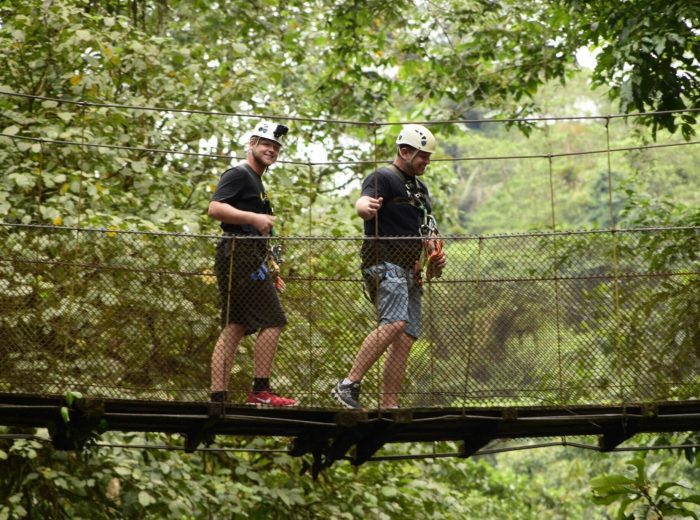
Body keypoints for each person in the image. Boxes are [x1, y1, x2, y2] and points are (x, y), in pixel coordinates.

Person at [332, 124, 446, 409]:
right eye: (423, 156)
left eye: (429, 157)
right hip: (384, 263)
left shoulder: (420, 188)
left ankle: (389, 403)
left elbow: (426, 228)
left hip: (411, 268)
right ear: (404, 151)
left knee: (406, 336)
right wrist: (365, 208)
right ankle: (348, 384)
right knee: (394, 323)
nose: (426, 162)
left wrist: (434, 254)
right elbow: (363, 201)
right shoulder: (383, 177)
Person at [208, 120, 297, 407]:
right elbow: (215, 208)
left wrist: (270, 267)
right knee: (274, 321)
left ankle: (218, 396)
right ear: (252, 144)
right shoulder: (240, 173)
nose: (271, 150)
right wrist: (253, 218)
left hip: (246, 257)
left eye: (275, 147)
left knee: (234, 325)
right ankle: (260, 391)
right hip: (239, 255)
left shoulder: (257, 182)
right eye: (266, 144)